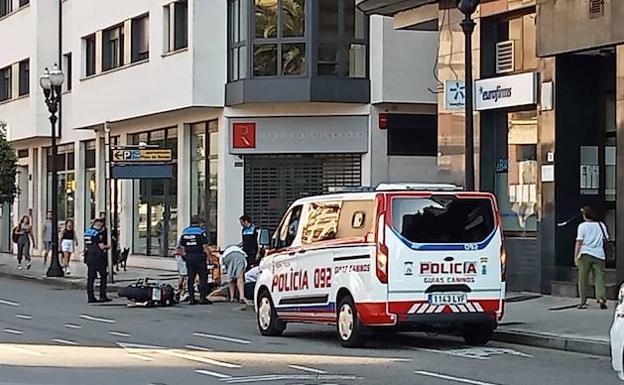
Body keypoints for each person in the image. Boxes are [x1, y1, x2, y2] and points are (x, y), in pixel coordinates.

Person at [575, 206, 609, 310]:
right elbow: (606, 239)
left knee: (583, 278)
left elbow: (579, 242)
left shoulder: (582, 226)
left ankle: (583, 301)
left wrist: (576, 256)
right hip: (599, 254)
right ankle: (601, 298)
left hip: (585, 254)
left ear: (585, 215)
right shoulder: (601, 225)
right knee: (600, 278)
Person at [178, 215, 212, 305]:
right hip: (199, 257)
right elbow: (205, 247)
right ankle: (202, 298)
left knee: (190, 278)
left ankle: (192, 299)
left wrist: (184, 256)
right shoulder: (201, 232)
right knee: (203, 277)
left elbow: (181, 247)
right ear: (199, 223)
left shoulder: (185, 232)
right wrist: (210, 258)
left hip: (189, 257)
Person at [84, 218, 111, 303]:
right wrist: (109, 246)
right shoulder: (97, 234)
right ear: (98, 225)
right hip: (97, 257)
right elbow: (101, 246)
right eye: (100, 226)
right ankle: (102, 295)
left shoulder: (87, 232)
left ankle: (90, 296)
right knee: (103, 275)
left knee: (90, 278)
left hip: (89, 256)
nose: (101, 228)